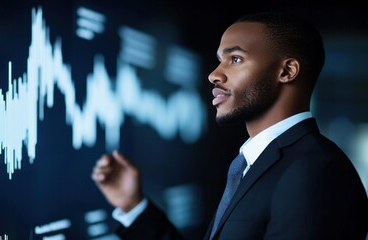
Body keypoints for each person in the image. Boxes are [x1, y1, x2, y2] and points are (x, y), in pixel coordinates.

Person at [91, 11, 368, 240]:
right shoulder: (262, 163)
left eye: (235, 59)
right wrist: (133, 205)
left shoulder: (314, 171)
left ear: (287, 71)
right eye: (219, 60)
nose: (214, 74)